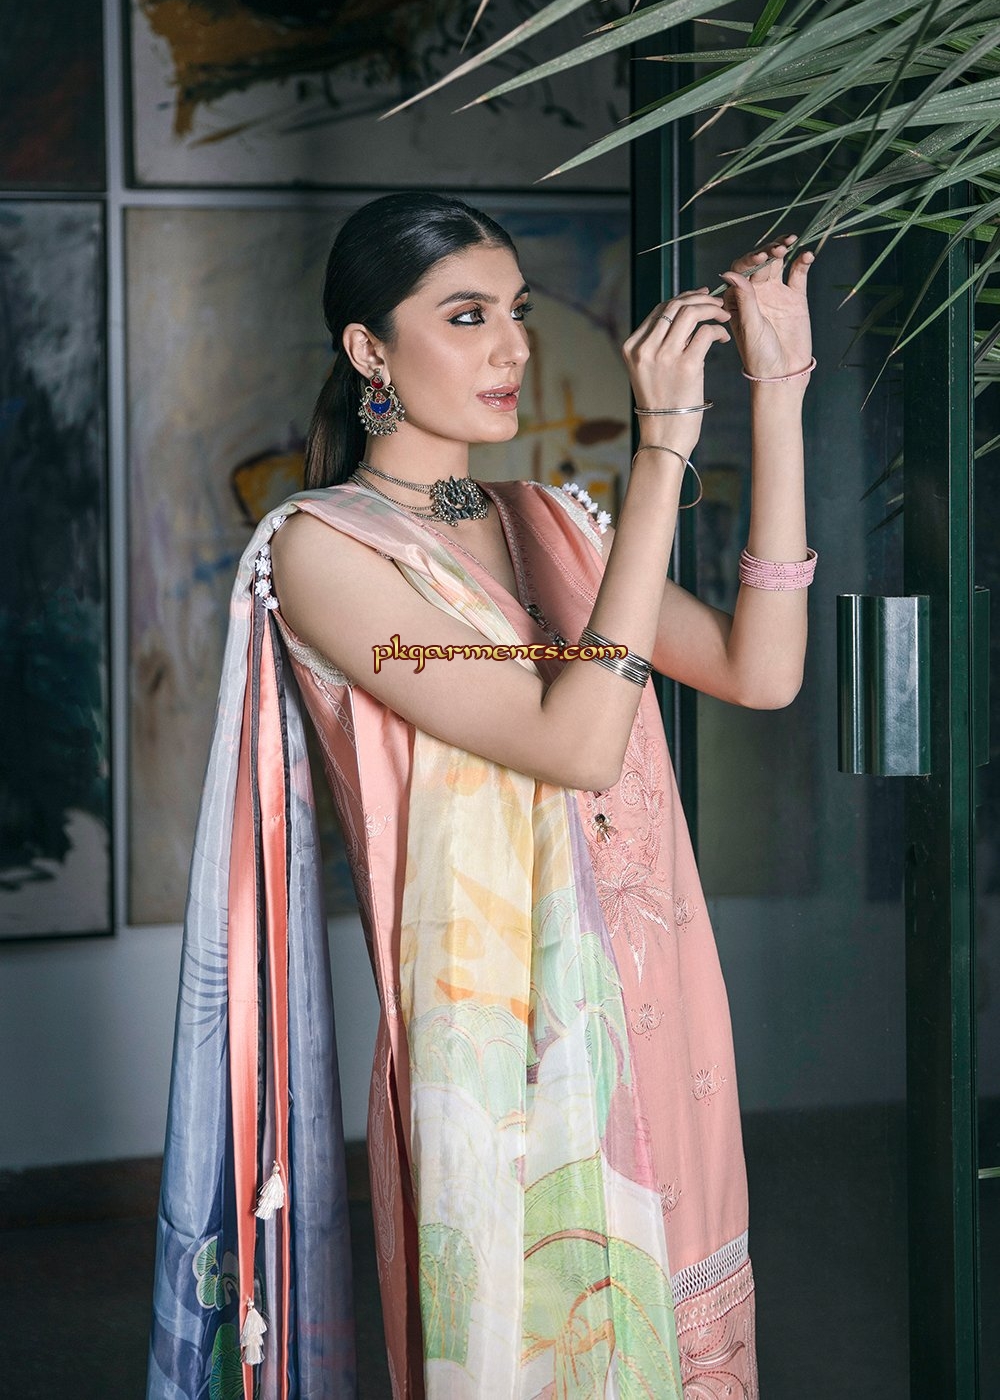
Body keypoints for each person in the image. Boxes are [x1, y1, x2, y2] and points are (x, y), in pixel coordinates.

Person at [147, 191, 816, 1400]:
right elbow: (575, 743)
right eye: (466, 317)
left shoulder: (548, 516)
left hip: (660, 1006)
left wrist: (777, 394)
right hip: (504, 1059)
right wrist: (659, 451)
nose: (512, 347)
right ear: (370, 350)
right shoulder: (324, 550)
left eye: (516, 311)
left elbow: (759, 672)